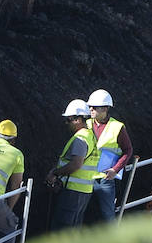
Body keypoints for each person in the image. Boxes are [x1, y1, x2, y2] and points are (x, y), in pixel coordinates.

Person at [47, 99, 98, 230]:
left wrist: (55, 173)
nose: (66, 123)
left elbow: (76, 164)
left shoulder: (80, 139)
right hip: (83, 191)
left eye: (68, 120)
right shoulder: (90, 135)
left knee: (62, 229)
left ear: (77, 120)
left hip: (73, 192)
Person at [86, 89, 133, 224]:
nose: (91, 109)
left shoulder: (117, 127)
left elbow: (128, 150)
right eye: (90, 106)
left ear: (105, 108)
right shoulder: (87, 124)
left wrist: (115, 169)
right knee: (81, 213)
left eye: (95, 107)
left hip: (105, 179)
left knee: (107, 215)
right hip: (85, 176)